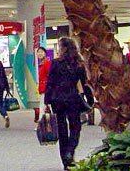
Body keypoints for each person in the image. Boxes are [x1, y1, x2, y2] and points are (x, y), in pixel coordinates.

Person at [44, 37, 89, 170]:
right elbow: (85, 84)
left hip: (57, 99)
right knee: (75, 126)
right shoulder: (79, 63)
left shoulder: (56, 63)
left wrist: (47, 101)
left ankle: (65, 162)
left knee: (62, 128)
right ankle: (70, 150)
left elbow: (50, 83)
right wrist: (89, 101)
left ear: (63, 48)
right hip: (72, 98)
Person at [35, 46, 51, 123]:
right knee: (44, 106)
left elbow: (49, 76)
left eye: (42, 52)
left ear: (45, 53)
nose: (40, 54)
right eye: (38, 52)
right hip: (42, 88)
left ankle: (40, 124)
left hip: (46, 88)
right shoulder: (41, 64)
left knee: (43, 107)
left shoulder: (47, 63)